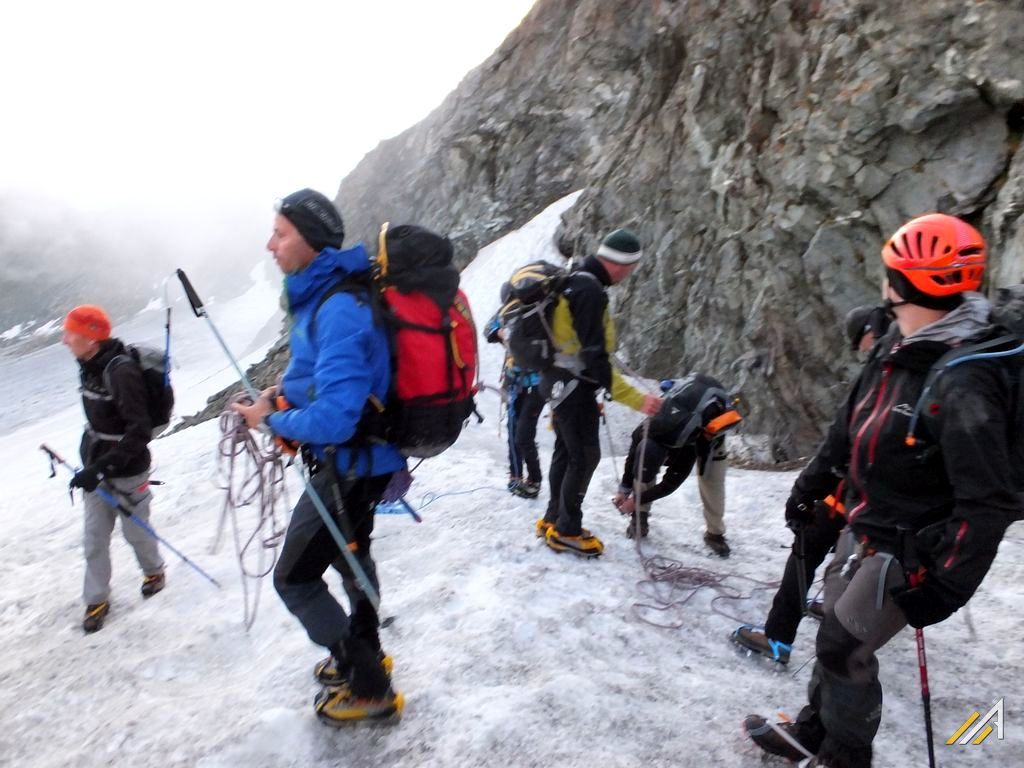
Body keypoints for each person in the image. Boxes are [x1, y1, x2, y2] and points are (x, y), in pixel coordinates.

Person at [745, 214, 1016, 767]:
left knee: (844, 647)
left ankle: (844, 757)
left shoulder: (964, 380)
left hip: (913, 549)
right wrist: (813, 484)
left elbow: (988, 500)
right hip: (867, 524)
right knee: (835, 637)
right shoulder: (898, 340)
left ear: (905, 283)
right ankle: (812, 731)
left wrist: (946, 586)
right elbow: (851, 421)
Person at [233, 188, 406, 726]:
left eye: (280, 233)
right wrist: (280, 396)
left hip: (347, 468)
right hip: (359, 464)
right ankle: (366, 650)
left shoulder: (338, 308)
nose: (270, 244)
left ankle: (368, 684)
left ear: (310, 240)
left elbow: (335, 418)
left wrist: (270, 420)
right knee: (350, 559)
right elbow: (323, 383)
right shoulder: (331, 296)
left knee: (295, 580)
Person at [732, 305, 891, 663]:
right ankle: (844, 615)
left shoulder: (884, 372)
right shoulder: (921, 367)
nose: (863, 349)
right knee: (866, 559)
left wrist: (804, 491)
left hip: (849, 491)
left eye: (860, 341)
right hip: (889, 500)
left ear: (870, 331)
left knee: (807, 548)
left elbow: (840, 439)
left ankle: (778, 639)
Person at [537, 228, 662, 557]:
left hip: (556, 380)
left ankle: (554, 519)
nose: (629, 275)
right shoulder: (590, 291)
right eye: (631, 269)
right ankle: (567, 530)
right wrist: (639, 399)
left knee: (566, 451)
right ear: (622, 264)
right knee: (585, 455)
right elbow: (595, 358)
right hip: (574, 384)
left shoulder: (574, 278)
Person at [63, 305, 166, 634]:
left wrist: (102, 467)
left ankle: (154, 571)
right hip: (96, 464)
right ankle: (96, 599)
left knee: (135, 530)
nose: (65, 341)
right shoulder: (88, 364)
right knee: (94, 537)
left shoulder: (120, 372)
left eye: (71, 334)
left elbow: (139, 430)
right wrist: (93, 466)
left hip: (128, 468)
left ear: (91, 338)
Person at [611, 374, 741, 557]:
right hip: (684, 408)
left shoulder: (688, 448)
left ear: (666, 457)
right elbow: (633, 460)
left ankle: (715, 534)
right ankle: (639, 517)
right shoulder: (645, 430)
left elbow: (669, 485)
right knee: (642, 465)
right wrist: (624, 490)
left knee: (712, 480)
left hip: (707, 428)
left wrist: (635, 500)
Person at [484, 283, 545, 498]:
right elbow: (489, 331)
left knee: (522, 434)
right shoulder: (509, 314)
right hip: (523, 383)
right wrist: (500, 332)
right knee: (515, 433)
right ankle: (517, 476)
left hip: (533, 384)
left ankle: (533, 478)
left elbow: (489, 331)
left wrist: (499, 332)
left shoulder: (535, 315)